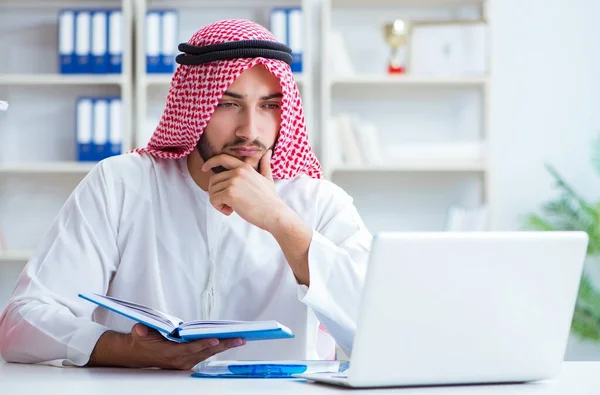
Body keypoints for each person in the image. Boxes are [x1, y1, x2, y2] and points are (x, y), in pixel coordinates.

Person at [0, 19, 372, 370]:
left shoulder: (320, 202)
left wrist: (279, 219)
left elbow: (379, 329)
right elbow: (21, 323)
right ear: (196, 105)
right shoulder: (122, 184)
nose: (250, 129)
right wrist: (122, 348)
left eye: (269, 106)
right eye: (228, 104)